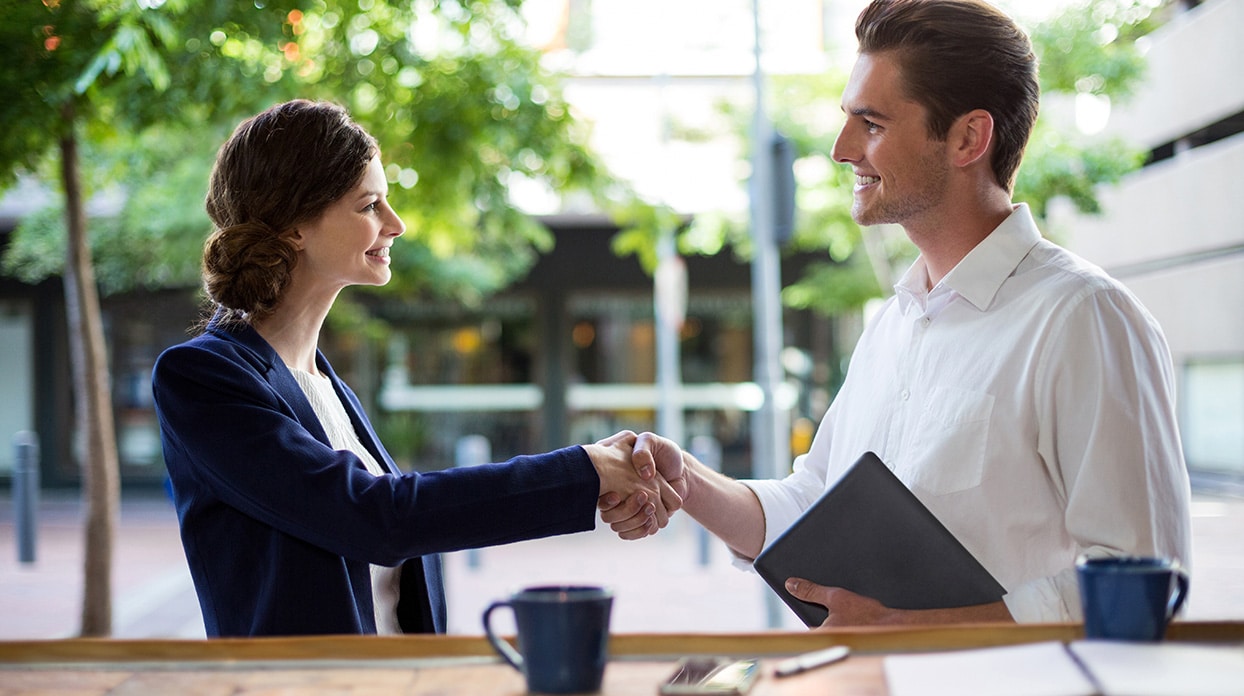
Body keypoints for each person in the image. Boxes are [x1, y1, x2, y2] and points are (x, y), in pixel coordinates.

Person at [636, 0, 1192, 626]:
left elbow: (1146, 577)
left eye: (871, 123)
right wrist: (686, 482)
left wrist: (913, 631)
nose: (842, 148)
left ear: (967, 138)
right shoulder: (894, 324)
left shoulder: (1084, 319)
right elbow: (814, 502)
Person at [152, 99, 678, 637]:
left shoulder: (323, 385)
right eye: (369, 205)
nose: (396, 224)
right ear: (293, 227)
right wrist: (581, 472)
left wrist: (599, 475)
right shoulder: (202, 377)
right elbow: (379, 519)